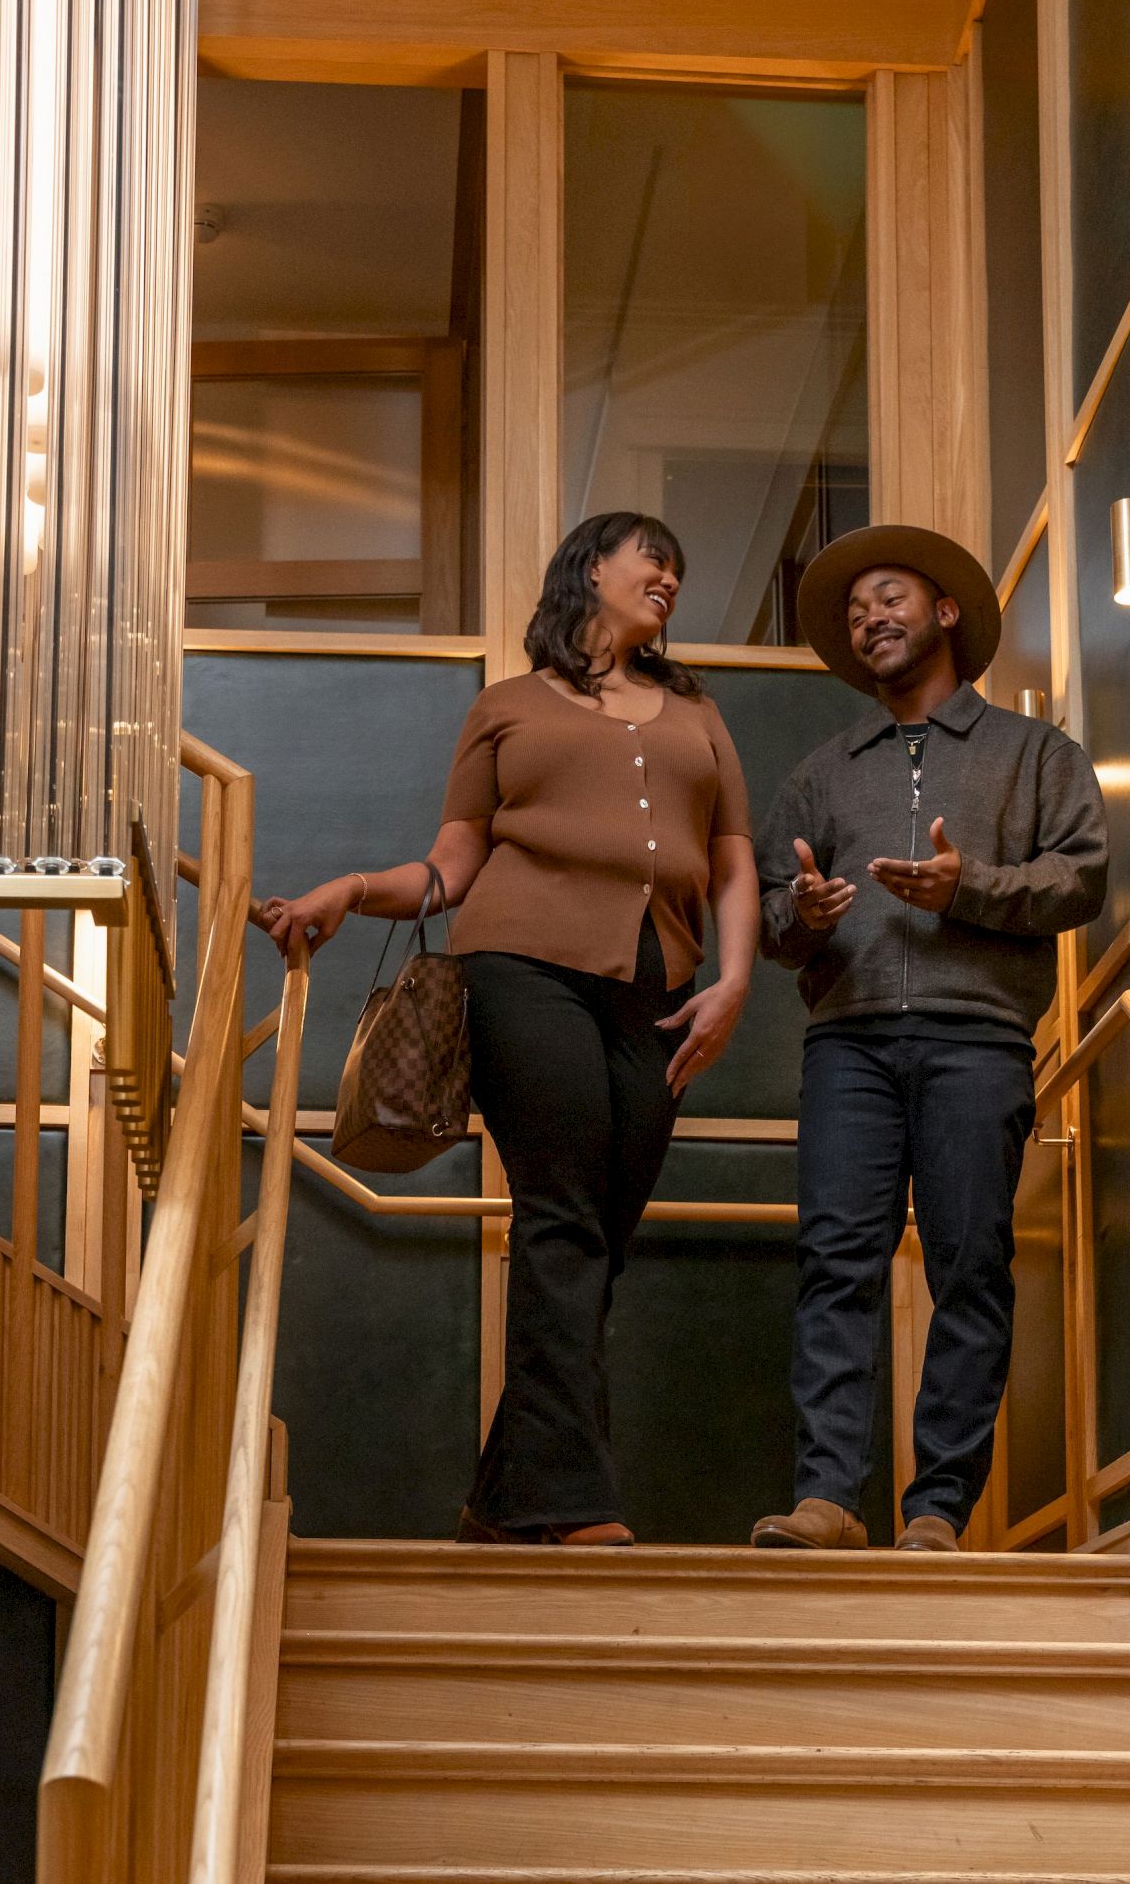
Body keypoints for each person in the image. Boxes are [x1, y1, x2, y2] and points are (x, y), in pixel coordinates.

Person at [258, 512, 758, 1546]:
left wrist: (737, 981)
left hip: (656, 986)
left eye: (678, 562)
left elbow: (733, 860)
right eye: (648, 556)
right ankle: (575, 1504)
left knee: (595, 1239)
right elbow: (452, 862)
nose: (668, 573)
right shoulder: (506, 706)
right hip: (520, 969)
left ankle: (500, 1499)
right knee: (563, 1214)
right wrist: (351, 888)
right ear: (588, 569)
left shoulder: (695, 711)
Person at [750, 524, 1107, 1553]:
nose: (869, 617)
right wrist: (805, 914)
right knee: (835, 1261)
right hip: (847, 1045)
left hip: (978, 1040)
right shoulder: (822, 771)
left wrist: (972, 888)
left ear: (944, 612)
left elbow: (1079, 876)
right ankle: (827, 1499)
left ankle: (937, 1509)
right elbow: (773, 912)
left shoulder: (1034, 755)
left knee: (969, 1265)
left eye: (889, 597)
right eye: (856, 609)